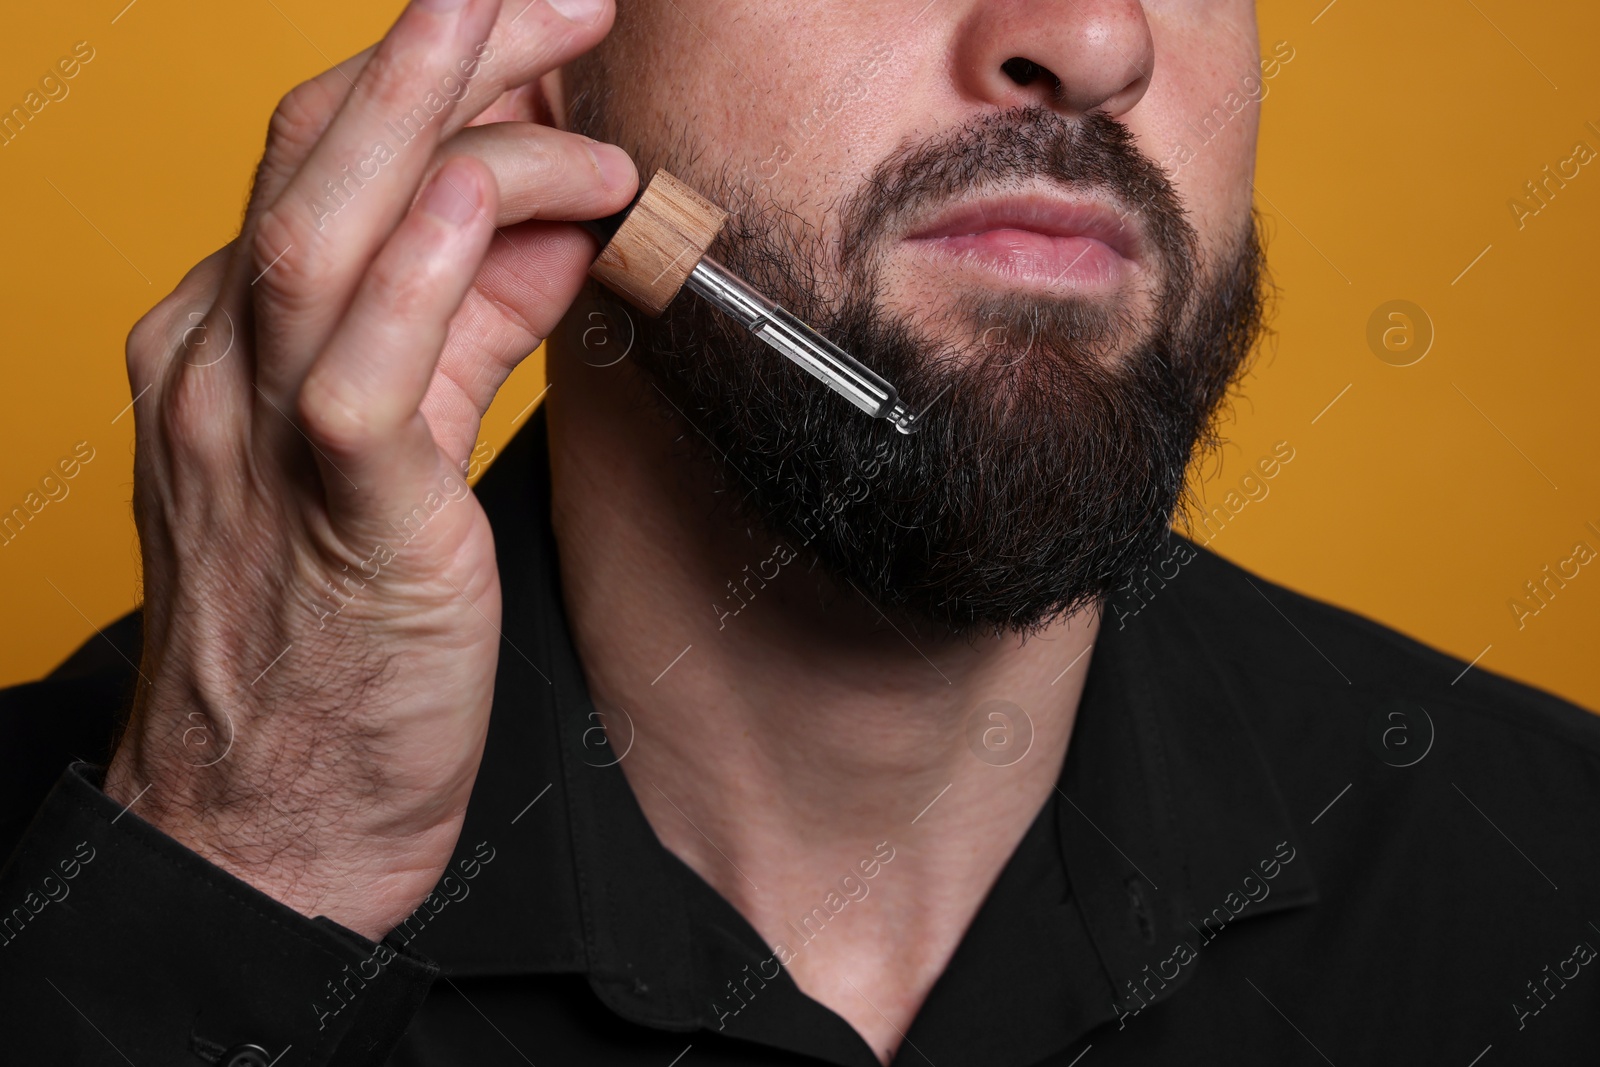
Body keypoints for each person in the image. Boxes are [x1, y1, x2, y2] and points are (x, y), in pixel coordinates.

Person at [2, 0, 1597, 1063]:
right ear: (547, 55)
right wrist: (241, 868)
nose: (1095, 37)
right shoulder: (117, 887)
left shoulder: (1554, 888)